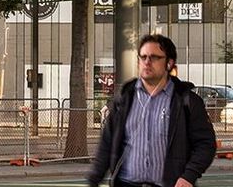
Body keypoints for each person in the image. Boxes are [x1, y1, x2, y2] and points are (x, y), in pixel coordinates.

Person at [88, 33, 216, 187]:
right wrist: (94, 179)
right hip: (127, 183)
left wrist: (189, 176)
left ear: (169, 63)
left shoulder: (186, 101)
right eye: (143, 57)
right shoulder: (123, 99)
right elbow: (107, 143)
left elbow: (206, 143)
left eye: (154, 57)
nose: (147, 62)